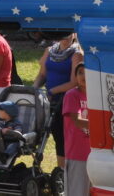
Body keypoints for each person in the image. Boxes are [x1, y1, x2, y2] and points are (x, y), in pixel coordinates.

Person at [34, 33, 83, 168]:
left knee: (61, 136)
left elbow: (75, 82)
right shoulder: (49, 51)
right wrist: (33, 89)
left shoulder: (76, 54)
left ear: (74, 34)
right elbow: (42, 74)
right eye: (63, 33)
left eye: (68, 34)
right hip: (48, 100)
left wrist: (53, 91)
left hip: (65, 100)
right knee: (44, 134)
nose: (65, 37)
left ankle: (62, 170)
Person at [63, 63, 91, 196]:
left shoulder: (98, 96)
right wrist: (100, 125)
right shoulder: (72, 95)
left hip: (95, 155)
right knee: (77, 192)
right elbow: (77, 121)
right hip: (77, 154)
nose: (84, 75)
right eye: (80, 72)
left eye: (87, 71)